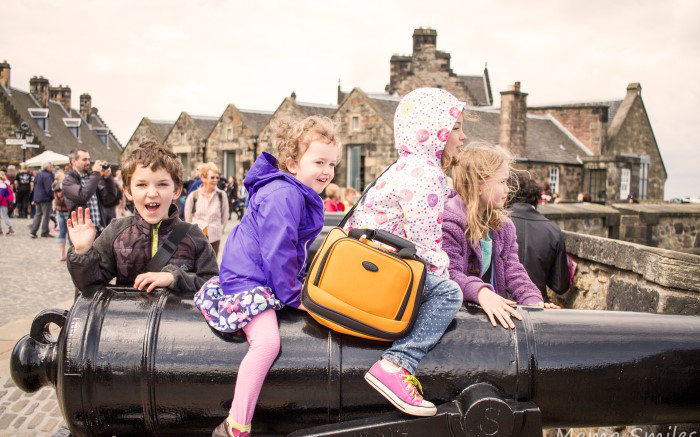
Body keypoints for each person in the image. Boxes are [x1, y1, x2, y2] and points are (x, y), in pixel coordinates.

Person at [194, 116, 339, 437]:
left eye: (332, 163)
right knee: (267, 344)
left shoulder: (293, 190)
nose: (327, 171)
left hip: (258, 273)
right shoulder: (283, 195)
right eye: (319, 162)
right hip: (247, 279)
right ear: (292, 163)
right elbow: (279, 247)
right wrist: (293, 294)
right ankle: (235, 424)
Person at [343, 88, 466, 417]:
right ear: (434, 132)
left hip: (365, 265)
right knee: (448, 294)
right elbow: (426, 249)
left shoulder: (404, 166)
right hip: (378, 273)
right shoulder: (425, 174)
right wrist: (450, 280)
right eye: (456, 128)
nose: (463, 137)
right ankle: (397, 363)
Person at [66, 141, 219, 294]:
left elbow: (213, 285)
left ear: (177, 190)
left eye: (162, 184)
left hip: (174, 317)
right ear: (128, 191)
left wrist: (174, 277)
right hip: (128, 317)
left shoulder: (193, 236)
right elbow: (88, 286)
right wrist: (82, 252)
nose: (152, 193)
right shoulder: (115, 232)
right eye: (142, 185)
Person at [442, 146, 560, 330]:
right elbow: (448, 274)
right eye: (502, 181)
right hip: (460, 321)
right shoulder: (449, 224)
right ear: (480, 184)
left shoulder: (503, 227)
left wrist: (533, 302)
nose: (507, 189)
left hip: (491, 317)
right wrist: (480, 291)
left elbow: (513, 270)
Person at [508, 172, 570, 300]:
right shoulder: (553, 230)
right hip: (536, 306)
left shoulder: (493, 223)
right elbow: (560, 286)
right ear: (536, 198)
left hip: (499, 305)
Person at [63, 149, 119, 238]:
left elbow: (109, 198)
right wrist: (96, 173)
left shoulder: (91, 178)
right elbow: (83, 196)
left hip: (99, 230)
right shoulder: (68, 180)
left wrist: (108, 177)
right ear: (74, 162)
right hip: (82, 232)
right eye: (84, 160)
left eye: (89, 159)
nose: (88, 162)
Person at [184, 163, 229, 255]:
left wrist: (220, 229)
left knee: (212, 265)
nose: (215, 180)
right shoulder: (194, 196)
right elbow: (187, 217)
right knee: (197, 265)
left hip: (214, 236)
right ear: (203, 178)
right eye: (212, 177)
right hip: (197, 237)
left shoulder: (221, 195)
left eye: (217, 177)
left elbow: (225, 215)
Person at [30, 162, 55, 238]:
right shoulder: (47, 176)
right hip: (45, 198)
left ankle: (33, 231)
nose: (52, 168)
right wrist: (52, 195)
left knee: (38, 215)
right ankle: (44, 232)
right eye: (51, 166)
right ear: (47, 167)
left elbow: (35, 186)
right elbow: (49, 188)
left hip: (38, 197)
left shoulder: (39, 174)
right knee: (46, 216)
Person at [53, 172, 70, 260]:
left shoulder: (56, 186)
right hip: (65, 210)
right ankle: (64, 254)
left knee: (63, 232)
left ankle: (63, 254)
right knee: (66, 232)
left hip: (60, 210)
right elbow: (61, 200)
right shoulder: (60, 187)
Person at [0, 171, 15, 235]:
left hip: (3, 202)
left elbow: (1, 195)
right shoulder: (5, 183)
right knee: (4, 215)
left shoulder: (2, 184)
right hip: (4, 202)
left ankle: (10, 228)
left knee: (4, 216)